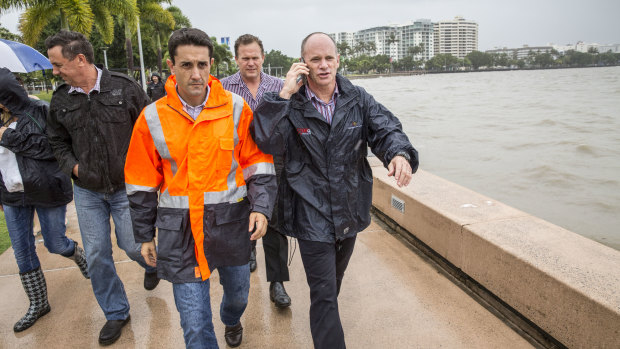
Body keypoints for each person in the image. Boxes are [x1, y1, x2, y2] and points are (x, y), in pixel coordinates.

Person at [252, 32, 419, 349]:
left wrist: (398, 154)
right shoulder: (292, 104)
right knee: (324, 295)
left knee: (332, 286)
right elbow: (263, 138)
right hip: (309, 211)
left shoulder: (358, 99)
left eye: (329, 57)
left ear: (338, 60)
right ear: (304, 64)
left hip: (349, 210)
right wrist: (284, 93)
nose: (324, 65)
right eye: (315, 59)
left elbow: (386, 129)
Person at [124, 28, 276, 348]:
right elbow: (141, 184)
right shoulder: (152, 118)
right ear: (171, 66)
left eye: (202, 65)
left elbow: (258, 164)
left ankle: (231, 319)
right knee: (194, 325)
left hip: (231, 224)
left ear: (211, 65)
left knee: (238, 296)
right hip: (178, 233)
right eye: (187, 65)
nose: (196, 74)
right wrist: (143, 235)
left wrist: (261, 207)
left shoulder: (236, 109)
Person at [44, 30, 159, 345]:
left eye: (58, 65)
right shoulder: (60, 99)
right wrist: (74, 167)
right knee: (96, 254)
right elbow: (57, 140)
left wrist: (148, 172)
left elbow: (151, 128)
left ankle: (153, 264)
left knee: (133, 246)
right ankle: (116, 313)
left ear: (80, 59)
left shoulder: (125, 88)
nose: (55, 72)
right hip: (87, 190)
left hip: (126, 189)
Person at [0, 67, 89, 333]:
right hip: (12, 195)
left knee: (55, 243)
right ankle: (38, 303)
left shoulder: (40, 111)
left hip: (47, 189)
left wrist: (8, 136)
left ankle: (77, 254)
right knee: (22, 250)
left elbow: (51, 150)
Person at [220, 34, 292, 308]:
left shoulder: (279, 86)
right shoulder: (223, 88)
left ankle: (277, 282)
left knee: (275, 224)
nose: (250, 62)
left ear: (263, 57)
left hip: (273, 165)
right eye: (245, 58)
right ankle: (248, 251)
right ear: (236, 59)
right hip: (237, 166)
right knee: (241, 217)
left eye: (255, 57)